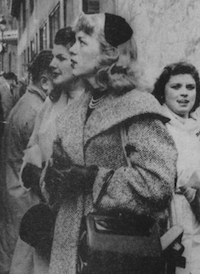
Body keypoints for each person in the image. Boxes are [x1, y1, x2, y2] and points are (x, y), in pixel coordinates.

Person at [31, 12, 177, 274]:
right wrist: (52, 176)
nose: (72, 50)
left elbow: (159, 184)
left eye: (82, 42)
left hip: (118, 253)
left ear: (110, 53)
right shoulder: (74, 110)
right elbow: (55, 189)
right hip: (69, 253)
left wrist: (92, 178)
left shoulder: (137, 106)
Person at [9, 27, 85, 274]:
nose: (52, 64)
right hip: (44, 226)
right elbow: (30, 152)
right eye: (53, 56)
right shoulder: (49, 104)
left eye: (60, 58)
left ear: (79, 58)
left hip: (78, 229)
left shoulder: (94, 104)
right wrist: (33, 173)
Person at [0, 50, 53, 274]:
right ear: (44, 81)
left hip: (15, 193)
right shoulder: (35, 110)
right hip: (24, 197)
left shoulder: (28, 102)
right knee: (19, 261)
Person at [152, 61, 200, 274]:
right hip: (172, 221)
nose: (184, 94)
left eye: (190, 87)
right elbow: (178, 174)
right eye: (176, 86)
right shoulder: (158, 127)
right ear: (163, 91)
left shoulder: (197, 128)